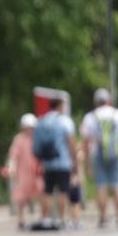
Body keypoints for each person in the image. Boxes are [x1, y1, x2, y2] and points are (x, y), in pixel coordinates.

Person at [79, 88, 118, 227]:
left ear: (95, 102)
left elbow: (85, 142)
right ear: (109, 100)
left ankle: (103, 217)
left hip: (98, 155)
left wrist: (86, 163)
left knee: (101, 186)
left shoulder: (90, 117)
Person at [33, 97, 78, 227]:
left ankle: (46, 219)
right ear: (60, 106)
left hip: (47, 162)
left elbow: (36, 144)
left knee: (47, 192)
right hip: (63, 161)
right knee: (63, 191)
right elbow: (71, 142)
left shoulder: (42, 120)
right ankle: (61, 218)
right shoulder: (64, 121)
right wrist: (74, 161)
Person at [3, 113, 42, 231]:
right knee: (22, 196)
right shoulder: (19, 139)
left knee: (41, 191)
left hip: (37, 170)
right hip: (24, 171)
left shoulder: (38, 138)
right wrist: (12, 167)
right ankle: (21, 220)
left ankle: (43, 217)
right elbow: (13, 156)